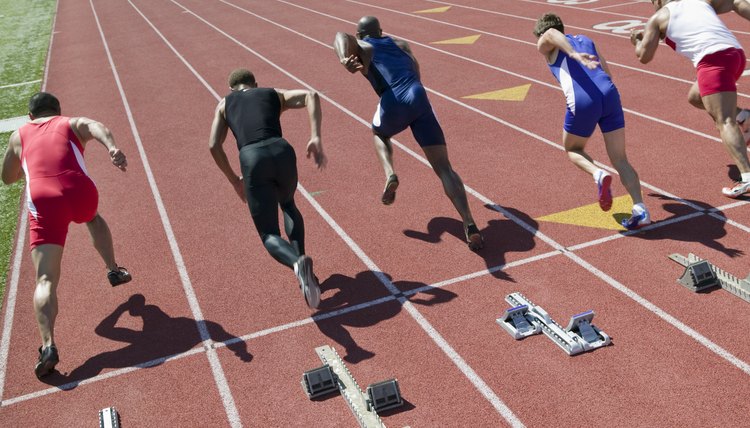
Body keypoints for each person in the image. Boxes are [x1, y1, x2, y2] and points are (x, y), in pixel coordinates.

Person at [0, 92, 132, 379]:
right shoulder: (69, 123)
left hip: (44, 198)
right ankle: (113, 270)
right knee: (93, 218)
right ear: (58, 111)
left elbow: (7, 177)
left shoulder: (19, 135)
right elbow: (96, 126)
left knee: (45, 279)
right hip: (79, 190)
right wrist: (112, 147)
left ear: (30, 116)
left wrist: (27, 165)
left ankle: (48, 346)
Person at [333, 16, 484, 250]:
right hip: (420, 96)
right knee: (444, 167)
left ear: (361, 35)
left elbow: (341, 36)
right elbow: (417, 71)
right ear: (381, 31)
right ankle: (469, 222)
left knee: (379, 134)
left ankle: (390, 174)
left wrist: (344, 58)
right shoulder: (402, 45)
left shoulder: (364, 46)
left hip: (393, 98)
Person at [208, 69, 325, 310]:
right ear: (255, 84)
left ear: (232, 89)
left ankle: (298, 264)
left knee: (269, 233)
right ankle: (305, 274)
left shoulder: (224, 104)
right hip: (282, 150)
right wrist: (315, 136)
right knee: (289, 204)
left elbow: (213, 145)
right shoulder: (273, 93)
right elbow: (311, 95)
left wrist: (234, 180)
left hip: (252, 158)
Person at [533, 13, 650, 230]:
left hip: (584, 99)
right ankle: (640, 208)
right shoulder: (586, 39)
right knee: (620, 158)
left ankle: (598, 174)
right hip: (609, 93)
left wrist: (573, 55)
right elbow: (607, 72)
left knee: (572, 148)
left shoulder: (549, 42)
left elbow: (550, 34)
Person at [631, 0, 750, 198]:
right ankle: (744, 116)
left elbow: (644, 57)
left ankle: (746, 176)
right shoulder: (698, 1)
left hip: (711, 61)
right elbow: (735, 2)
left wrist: (637, 41)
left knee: (724, 121)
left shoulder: (658, 18)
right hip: (735, 55)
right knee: (695, 97)